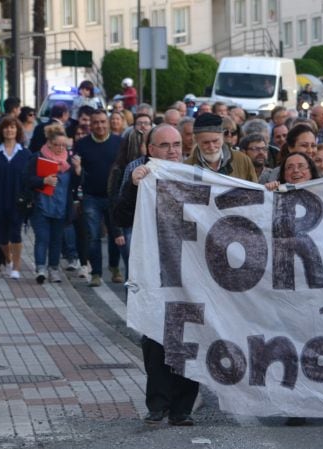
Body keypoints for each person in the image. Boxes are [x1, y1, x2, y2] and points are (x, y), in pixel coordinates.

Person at [113, 124, 200, 427]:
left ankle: (182, 408)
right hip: (153, 270)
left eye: (176, 144)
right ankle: (158, 403)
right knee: (154, 337)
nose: (172, 151)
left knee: (189, 337)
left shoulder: (194, 175)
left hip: (192, 274)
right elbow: (120, 216)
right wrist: (133, 187)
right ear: (150, 150)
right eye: (164, 145)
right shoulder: (141, 176)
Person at [25, 124, 82, 284]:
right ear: (49, 143)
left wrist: (78, 170)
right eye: (57, 144)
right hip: (41, 207)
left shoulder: (68, 162)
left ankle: (54, 269)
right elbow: (27, 180)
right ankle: (40, 268)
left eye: (64, 145)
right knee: (42, 238)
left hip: (61, 207)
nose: (60, 148)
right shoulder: (38, 158)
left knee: (57, 239)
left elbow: (76, 184)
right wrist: (43, 180)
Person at [74, 109, 124, 287]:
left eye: (103, 121)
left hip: (114, 197)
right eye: (96, 122)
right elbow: (76, 174)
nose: (100, 125)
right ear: (90, 125)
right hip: (91, 196)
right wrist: (77, 170)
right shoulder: (81, 144)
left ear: (108, 122)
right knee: (93, 236)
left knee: (115, 236)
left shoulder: (119, 142)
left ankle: (114, 267)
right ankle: (96, 273)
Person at [0, 116, 31, 279]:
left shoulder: (25, 154)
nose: (9, 130)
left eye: (13, 127)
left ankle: (16, 267)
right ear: (1, 131)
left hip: (18, 200)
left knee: (15, 232)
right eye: (6, 127)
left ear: (17, 131)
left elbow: (31, 178)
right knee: (2, 234)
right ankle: (8, 260)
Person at [108, 127, 146, 279]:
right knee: (132, 271)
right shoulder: (124, 168)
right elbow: (115, 199)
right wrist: (117, 231)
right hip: (129, 225)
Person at [183, 113, 258, 182]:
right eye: (206, 142)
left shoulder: (243, 161)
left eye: (215, 141)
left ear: (222, 136)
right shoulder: (186, 167)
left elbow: (256, 192)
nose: (212, 147)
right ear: (196, 140)